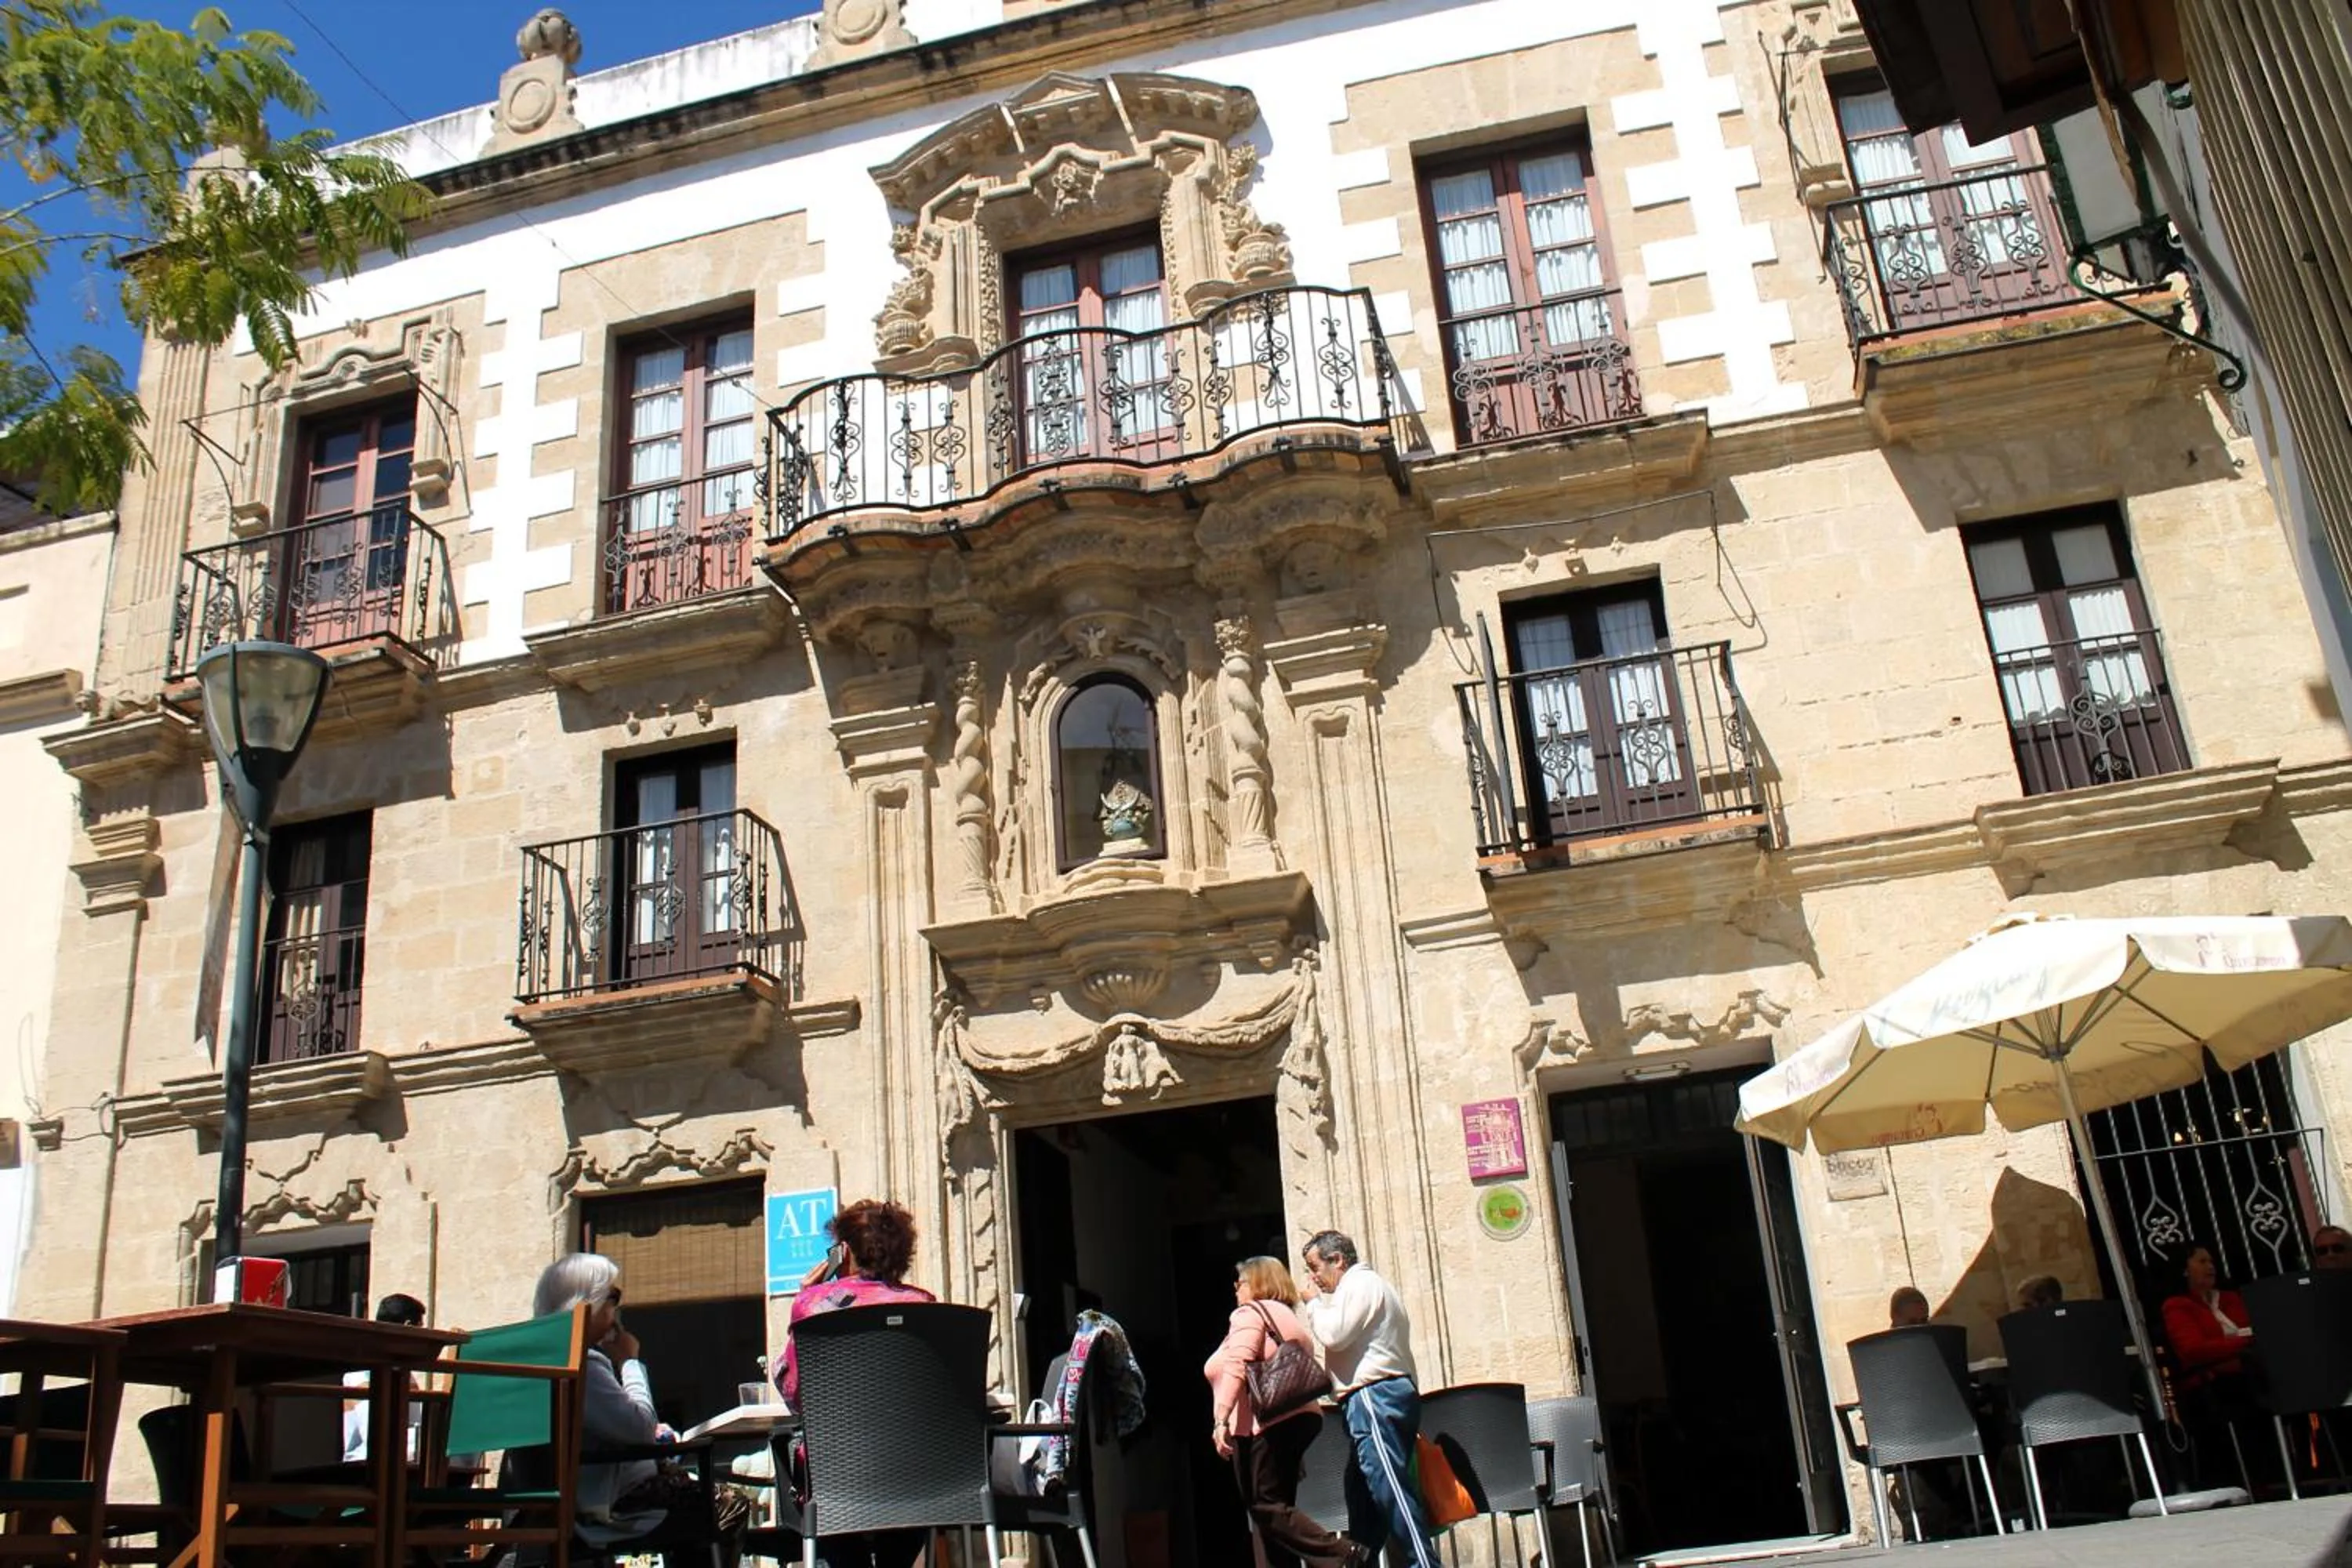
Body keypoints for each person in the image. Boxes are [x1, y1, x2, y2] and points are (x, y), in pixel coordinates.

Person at [532, 1253, 749, 1568]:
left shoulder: (544, 1361)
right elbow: (640, 1429)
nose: (616, 1309)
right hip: (608, 1505)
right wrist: (629, 1362)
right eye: (613, 1297)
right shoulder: (583, 1365)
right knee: (727, 1504)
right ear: (585, 1304)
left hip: (567, 1500)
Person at [771, 1200, 936, 1568]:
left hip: (839, 1478)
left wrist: (802, 1300)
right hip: (918, 1479)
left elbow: (796, 1394)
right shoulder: (923, 1304)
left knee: (819, 1479)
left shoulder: (815, 1306)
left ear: (844, 1251)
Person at [1205, 1257, 1363, 1568]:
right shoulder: (1286, 1316)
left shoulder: (1248, 1314)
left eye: (1242, 1282)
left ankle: (1345, 1556)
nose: (1236, 1289)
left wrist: (1221, 1418)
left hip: (1261, 1424)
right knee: (1274, 1513)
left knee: (1265, 1506)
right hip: (1298, 1419)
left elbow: (1239, 1363)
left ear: (1259, 1283)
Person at [1298, 1231, 1439, 1568]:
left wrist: (1313, 1303)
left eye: (1315, 1267)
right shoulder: (1371, 1287)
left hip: (1374, 1396)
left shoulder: (1361, 1286)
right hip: (1377, 1396)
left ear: (1338, 1261)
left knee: (1388, 1487)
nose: (1313, 1278)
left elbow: (1335, 1333)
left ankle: (1425, 1564)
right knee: (1363, 1499)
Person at [342, 1293, 426, 1462]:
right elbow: (375, 1435)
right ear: (408, 1326)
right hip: (365, 1466)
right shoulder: (363, 1373)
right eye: (421, 1328)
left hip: (403, 1461)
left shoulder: (402, 1369)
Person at [2160, 1240, 2253, 1389]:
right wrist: (2243, 1343)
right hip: (2212, 1380)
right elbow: (2194, 1349)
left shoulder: (2229, 1298)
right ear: (2185, 1270)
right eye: (2202, 1261)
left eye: (2211, 1262)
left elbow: (2250, 1328)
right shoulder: (2176, 1305)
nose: (2210, 1266)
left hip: (2248, 1368)